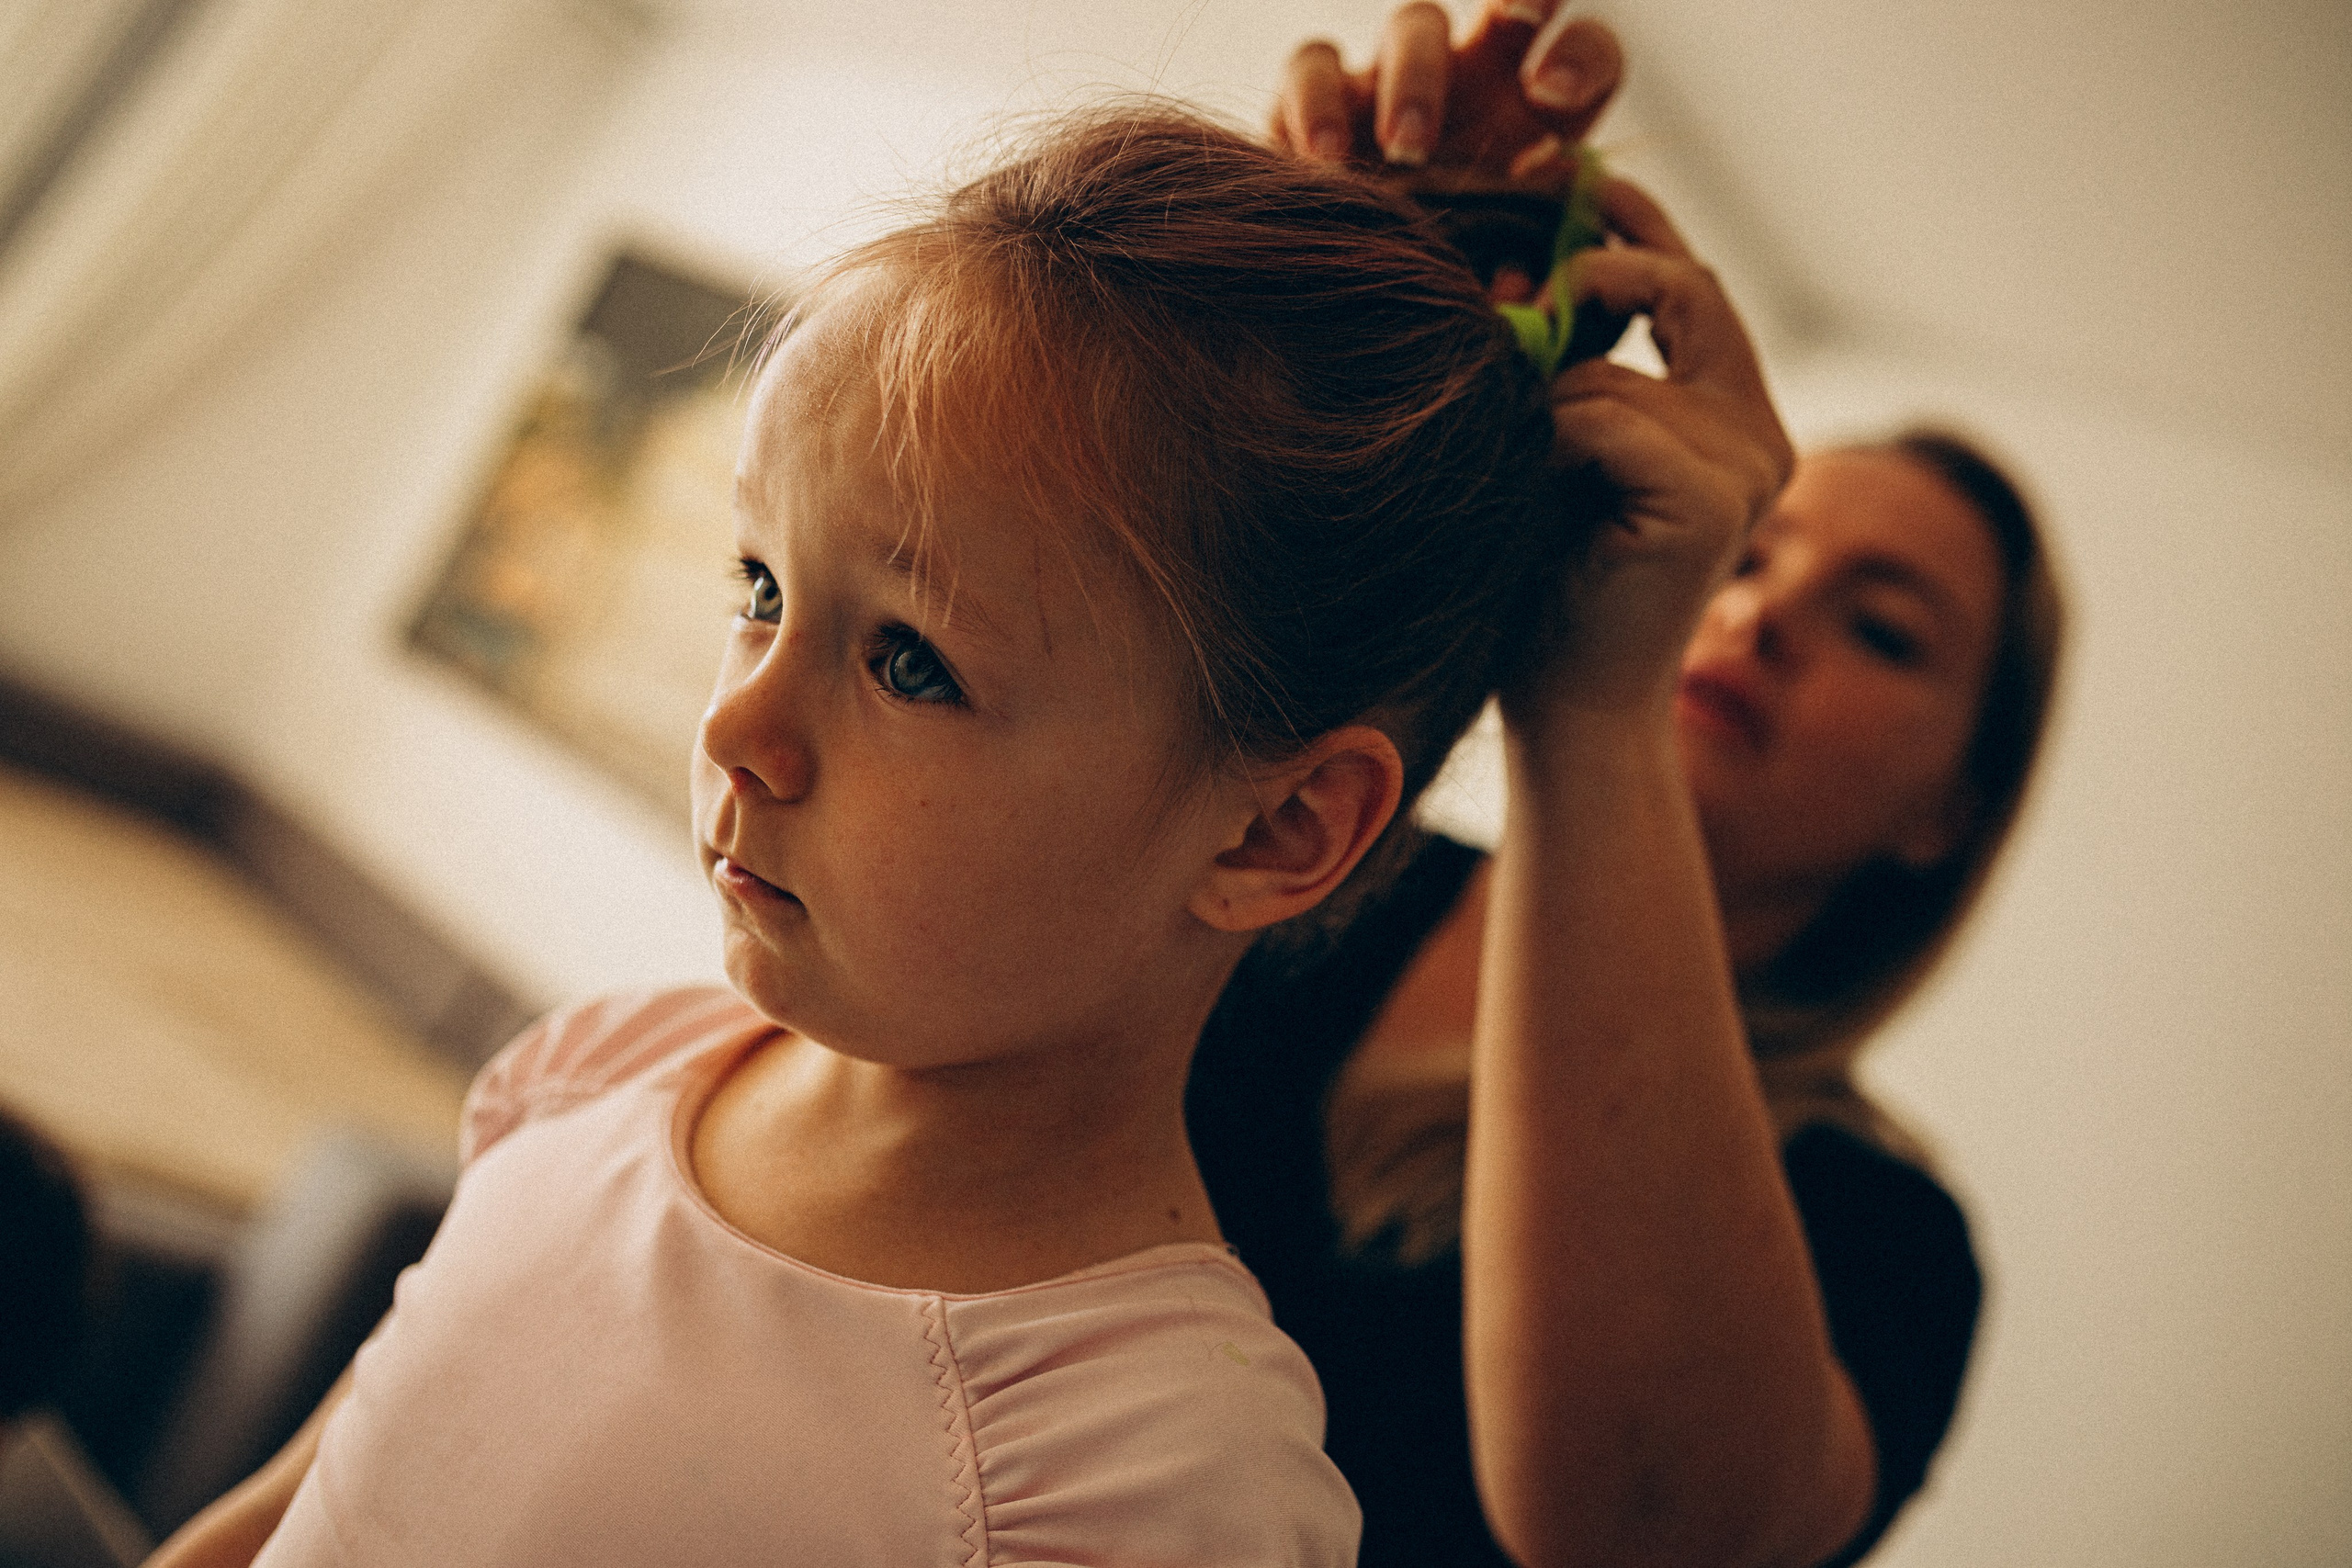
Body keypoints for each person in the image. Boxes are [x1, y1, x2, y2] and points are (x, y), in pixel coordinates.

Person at [145, 102, 1785, 1566]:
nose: (734, 725)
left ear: (1284, 824)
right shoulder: (598, 1077)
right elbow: (308, 1503)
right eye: (762, 591)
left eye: (909, 662)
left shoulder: (1139, 1483)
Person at [1184, 9, 2069, 1568]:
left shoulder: (1879, 1236)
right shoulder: (1337, 849)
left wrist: (1589, 702)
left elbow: (1650, 1534)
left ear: (1950, 809)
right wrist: (1298, 314)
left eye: (1882, 625)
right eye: (1763, 542)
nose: (1760, 605)